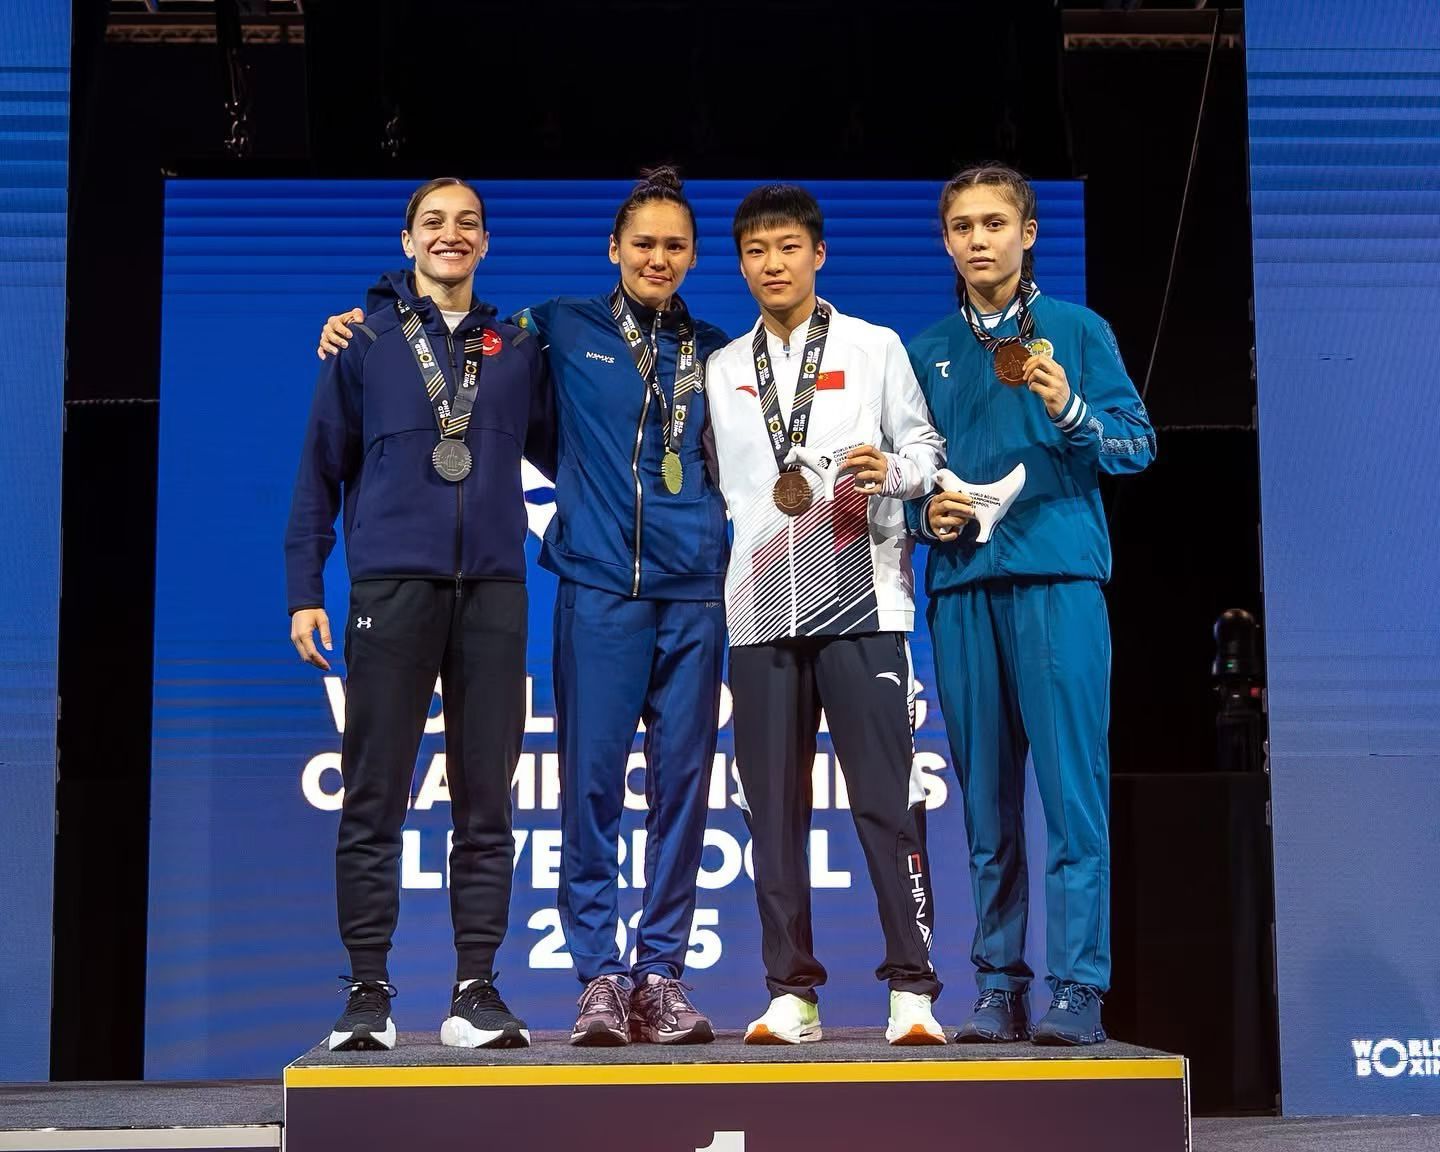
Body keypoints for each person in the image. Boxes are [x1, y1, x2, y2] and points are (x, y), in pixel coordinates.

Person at [317, 169, 730, 1047]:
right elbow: (456, 348)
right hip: (595, 586)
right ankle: (598, 977)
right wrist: (361, 320)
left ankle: (660, 973)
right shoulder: (550, 328)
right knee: (588, 791)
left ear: (694, 256)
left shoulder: (718, 353)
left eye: (675, 245)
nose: (657, 258)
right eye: (643, 243)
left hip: (692, 589)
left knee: (683, 795)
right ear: (613, 249)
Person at [287, 177, 555, 1051]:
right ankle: (367, 994)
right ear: (408, 241)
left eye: (468, 222)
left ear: (486, 243)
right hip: (391, 590)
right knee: (374, 798)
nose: (451, 234)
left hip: (494, 592)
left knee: (487, 804)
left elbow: (575, 449)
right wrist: (304, 589)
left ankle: (476, 990)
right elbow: (319, 470)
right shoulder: (363, 341)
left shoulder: (517, 347)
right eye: (433, 222)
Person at [908, 164, 1155, 1046]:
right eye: (963, 226)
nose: (979, 239)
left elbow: (1137, 446)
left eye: (994, 223)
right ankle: (997, 984)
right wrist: (923, 514)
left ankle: (1078, 987)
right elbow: (909, 467)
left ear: (1028, 233)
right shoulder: (926, 349)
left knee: (1072, 797)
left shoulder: (1078, 332)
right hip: (964, 586)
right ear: (946, 241)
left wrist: (1073, 408)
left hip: (1059, 582)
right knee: (986, 803)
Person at [703, 184, 948, 1046]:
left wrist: (899, 473)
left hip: (864, 599)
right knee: (771, 812)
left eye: (788, 247)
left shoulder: (875, 347)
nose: (773, 264)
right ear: (741, 265)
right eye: (756, 251)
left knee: (887, 800)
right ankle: (791, 992)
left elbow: (925, 449)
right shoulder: (721, 368)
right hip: (759, 609)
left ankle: (911, 989)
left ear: (818, 254)